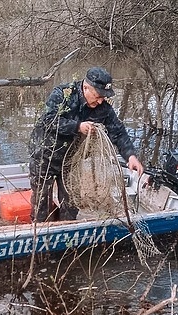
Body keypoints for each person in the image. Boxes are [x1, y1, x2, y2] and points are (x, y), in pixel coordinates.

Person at [28, 66, 143, 222]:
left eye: (104, 96)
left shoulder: (103, 108)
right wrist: (77, 127)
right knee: (41, 205)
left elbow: (118, 132)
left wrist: (130, 156)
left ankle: (68, 234)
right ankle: (40, 235)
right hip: (45, 156)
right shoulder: (63, 94)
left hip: (70, 162)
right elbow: (49, 121)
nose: (101, 100)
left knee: (71, 203)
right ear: (86, 87)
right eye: (98, 95)